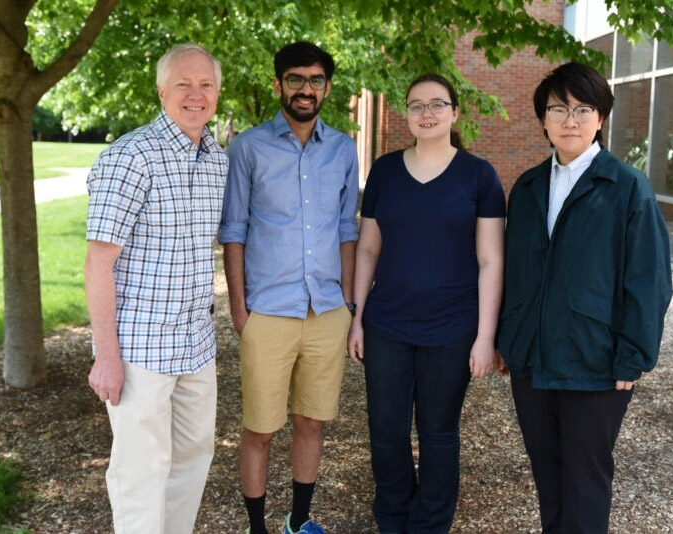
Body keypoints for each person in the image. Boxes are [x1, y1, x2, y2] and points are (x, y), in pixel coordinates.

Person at [496, 62, 673, 533]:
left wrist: (631, 358)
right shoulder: (529, 187)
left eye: (582, 109)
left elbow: (649, 280)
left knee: (585, 479)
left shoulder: (628, 188)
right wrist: (507, 338)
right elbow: (516, 272)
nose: (570, 120)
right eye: (559, 109)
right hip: (532, 360)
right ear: (543, 120)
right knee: (547, 476)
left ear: (600, 118)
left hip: (595, 362)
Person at [347, 73, 506, 534]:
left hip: (453, 328)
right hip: (388, 325)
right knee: (386, 434)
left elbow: (490, 261)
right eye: (417, 105)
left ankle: (430, 524)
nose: (427, 113)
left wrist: (485, 337)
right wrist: (357, 319)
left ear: (455, 113)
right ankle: (393, 520)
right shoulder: (385, 171)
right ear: (406, 114)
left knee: (439, 435)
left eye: (437, 104)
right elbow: (369, 249)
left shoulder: (479, 175)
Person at [84, 43, 227, 534]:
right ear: (162, 90)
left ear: (218, 93)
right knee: (140, 474)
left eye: (206, 84)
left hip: (196, 344)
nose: (196, 94)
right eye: (183, 84)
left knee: (192, 460)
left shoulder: (216, 161)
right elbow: (98, 265)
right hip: (140, 350)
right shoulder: (130, 157)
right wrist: (106, 356)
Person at [219, 41, 358, 534]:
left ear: (327, 88)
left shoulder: (343, 148)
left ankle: (298, 522)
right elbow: (233, 230)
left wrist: (347, 303)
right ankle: (257, 527)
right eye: (296, 79)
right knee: (259, 429)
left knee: (312, 422)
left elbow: (347, 229)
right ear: (278, 84)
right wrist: (240, 311)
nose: (306, 89)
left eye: (315, 80)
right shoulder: (249, 147)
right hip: (268, 312)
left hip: (326, 311)